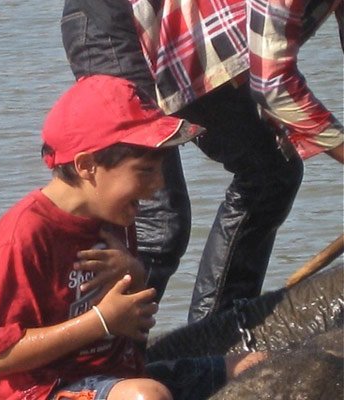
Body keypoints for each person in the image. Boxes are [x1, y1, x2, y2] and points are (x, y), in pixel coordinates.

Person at [0, 75, 265, 400]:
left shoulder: (115, 217)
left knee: (256, 364)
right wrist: (101, 321)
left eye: (160, 169)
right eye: (144, 171)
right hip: (47, 390)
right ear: (87, 165)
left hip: (116, 376)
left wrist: (136, 278)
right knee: (146, 397)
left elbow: (136, 330)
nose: (158, 184)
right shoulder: (24, 234)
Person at [60, 0, 305, 323]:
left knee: (271, 172)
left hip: (184, 25)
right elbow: (278, 81)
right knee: (158, 223)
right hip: (114, 24)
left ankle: (216, 331)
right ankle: (96, 355)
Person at [248, 0, 344, 163]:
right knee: (272, 171)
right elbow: (272, 86)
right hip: (196, 64)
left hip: (244, 67)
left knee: (275, 168)